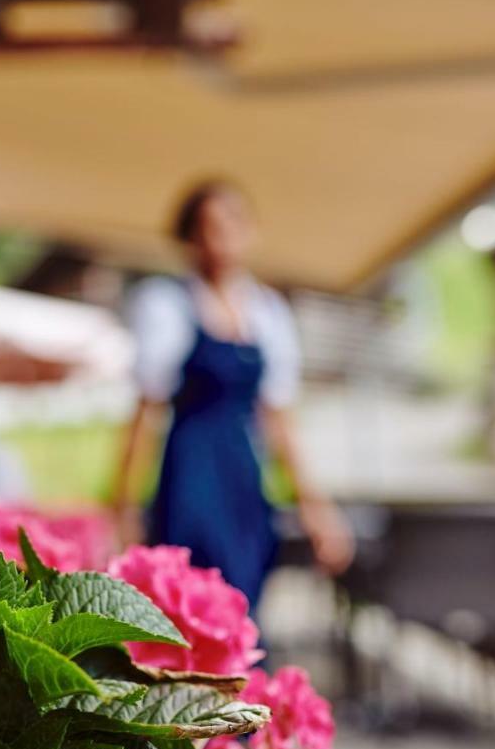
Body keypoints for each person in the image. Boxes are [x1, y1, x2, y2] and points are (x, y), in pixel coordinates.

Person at [112, 179, 354, 609]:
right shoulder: (168, 305)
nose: (222, 235)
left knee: (245, 595)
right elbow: (146, 415)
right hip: (188, 473)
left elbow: (279, 422)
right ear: (189, 237)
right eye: (209, 226)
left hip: (243, 475)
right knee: (188, 598)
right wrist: (124, 509)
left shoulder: (268, 313)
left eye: (233, 222)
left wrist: (315, 508)